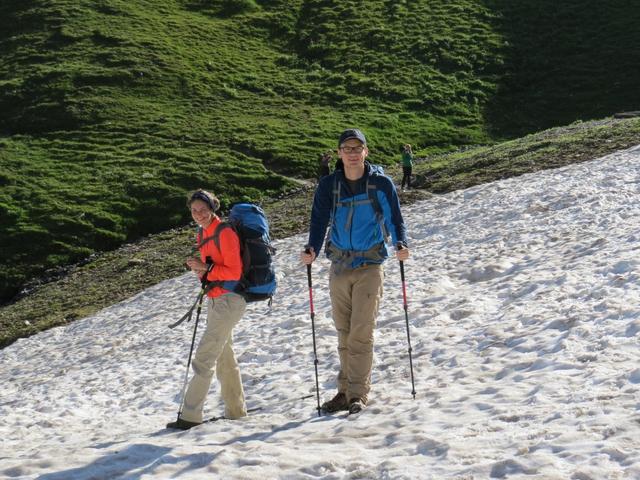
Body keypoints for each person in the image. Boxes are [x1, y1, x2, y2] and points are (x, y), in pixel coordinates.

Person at [300, 128, 410, 415]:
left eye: (356, 148)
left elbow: (395, 218)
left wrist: (401, 242)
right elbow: (318, 220)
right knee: (344, 333)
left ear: (365, 152)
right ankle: (345, 390)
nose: (351, 153)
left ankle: (357, 394)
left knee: (361, 333)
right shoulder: (329, 186)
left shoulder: (380, 184)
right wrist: (311, 247)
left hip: (370, 265)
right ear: (339, 153)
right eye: (346, 148)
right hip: (339, 265)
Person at [167, 189, 247, 430]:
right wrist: (201, 269)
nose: (199, 214)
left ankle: (190, 416)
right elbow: (215, 268)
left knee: (204, 357)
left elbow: (234, 272)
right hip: (216, 299)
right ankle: (236, 411)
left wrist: (205, 268)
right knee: (223, 355)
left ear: (213, 208)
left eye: (203, 209)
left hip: (230, 300)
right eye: (194, 211)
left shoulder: (225, 232)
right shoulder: (203, 233)